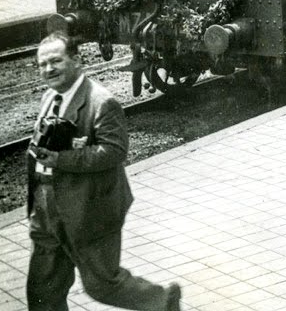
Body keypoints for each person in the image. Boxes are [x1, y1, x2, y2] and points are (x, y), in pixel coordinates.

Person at [27, 33, 182, 311]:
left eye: (56, 61)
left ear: (77, 60)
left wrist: (61, 159)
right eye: (43, 64)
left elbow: (114, 152)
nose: (48, 69)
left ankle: (163, 301)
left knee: (102, 284)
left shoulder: (102, 102)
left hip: (89, 208)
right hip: (48, 209)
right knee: (42, 289)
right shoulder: (50, 97)